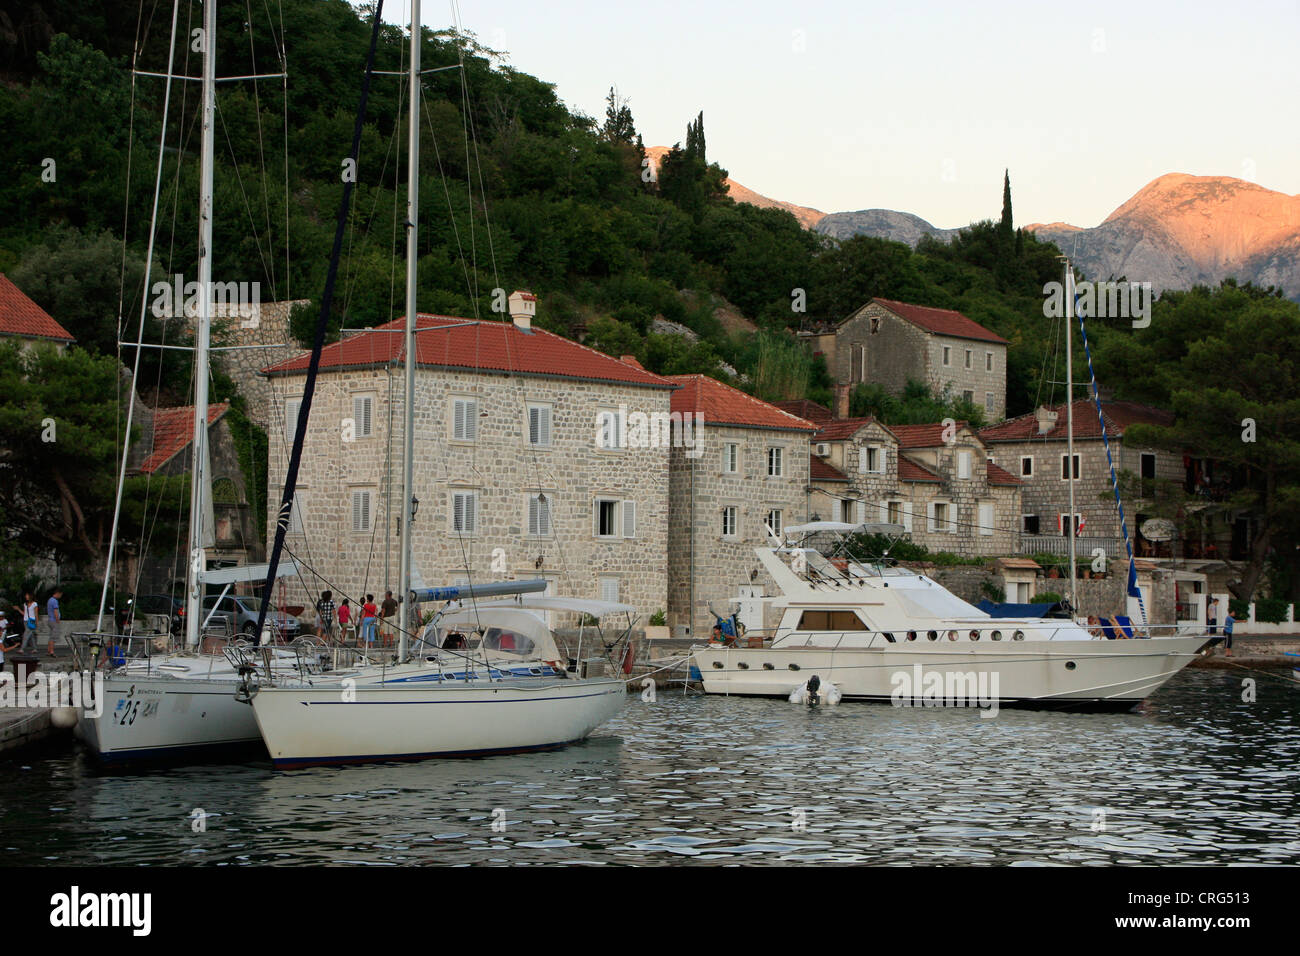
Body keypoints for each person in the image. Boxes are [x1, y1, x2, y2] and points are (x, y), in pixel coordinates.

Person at [46, 588, 63, 657]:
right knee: (54, 637)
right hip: (54, 620)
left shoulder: (50, 600)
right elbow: (55, 611)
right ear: (58, 593)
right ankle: (52, 651)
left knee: (51, 636)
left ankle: (49, 650)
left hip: (50, 620)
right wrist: (57, 620)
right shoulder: (54, 601)